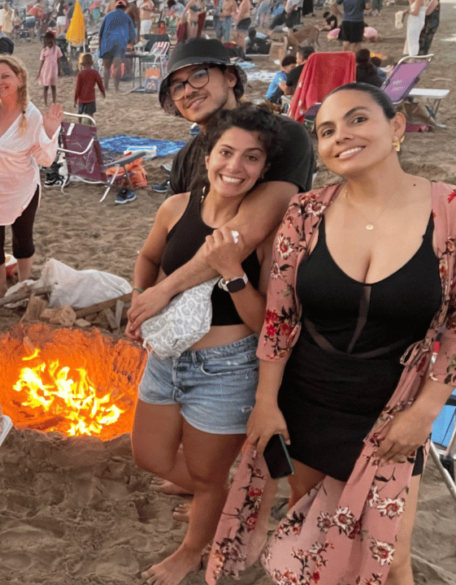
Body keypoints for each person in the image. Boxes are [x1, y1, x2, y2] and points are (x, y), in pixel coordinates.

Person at [211, 82, 456, 585]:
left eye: (357, 119)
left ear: (397, 126)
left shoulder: (449, 211)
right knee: (315, 542)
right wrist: (266, 400)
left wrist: (427, 411)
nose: (341, 134)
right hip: (308, 400)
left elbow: (454, 325)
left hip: (392, 411)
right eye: (326, 130)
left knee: (390, 559)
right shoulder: (306, 212)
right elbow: (281, 316)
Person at [129, 105, 280, 585]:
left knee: (208, 475)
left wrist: (234, 274)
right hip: (167, 355)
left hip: (228, 367)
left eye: (251, 158)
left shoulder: (261, 230)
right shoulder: (176, 207)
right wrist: (140, 297)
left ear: (264, 169)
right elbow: (149, 256)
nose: (235, 167)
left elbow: (267, 322)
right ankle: (215, 493)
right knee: (148, 455)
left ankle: (192, 549)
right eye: (226, 152)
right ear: (207, 155)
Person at [127, 38, 315, 355]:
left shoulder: (284, 137)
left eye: (199, 74)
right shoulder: (186, 157)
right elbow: (171, 243)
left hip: (243, 341)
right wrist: (143, 302)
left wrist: (162, 292)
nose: (188, 90)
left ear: (230, 77)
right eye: (177, 86)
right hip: (175, 340)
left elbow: (244, 232)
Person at [0, 55, 62, 302]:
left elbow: (46, 160)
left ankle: (24, 285)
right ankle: (1, 287)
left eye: (6, 76)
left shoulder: (32, 116)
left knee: (22, 240)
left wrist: (49, 131)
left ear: (20, 78)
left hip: (22, 189)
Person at [98, 0, 137, 92]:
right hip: (119, 43)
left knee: (106, 68)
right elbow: (132, 35)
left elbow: (100, 33)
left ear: (116, 7)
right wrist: (130, 42)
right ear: (124, 7)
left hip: (107, 43)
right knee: (117, 66)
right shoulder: (127, 17)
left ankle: (106, 87)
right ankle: (116, 88)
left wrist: (100, 46)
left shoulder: (108, 16)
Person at [74, 52, 106, 119]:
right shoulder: (95, 73)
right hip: (91, 98)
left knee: (80, 113)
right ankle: (89, 127)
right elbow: (100, 83)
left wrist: (75, 99)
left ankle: (80, 124)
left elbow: (77, 88)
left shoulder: (80, 74)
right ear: (92, 63)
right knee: (90, 115)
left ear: (82, 64)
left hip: (81, 99)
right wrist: (103, 92)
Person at [37, 31, 61, 106]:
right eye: (48, 43)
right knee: (46, 87)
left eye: (51, 43)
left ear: (54, 41)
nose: (50, 45)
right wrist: (39, 72)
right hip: (46, 71)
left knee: (53, 86)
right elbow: (42, 62)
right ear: (46, 43)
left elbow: (58, 60)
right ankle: (45, 103)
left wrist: (61, 69)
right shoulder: (44, 51)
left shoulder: (57, 49)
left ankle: (54, 101)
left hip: (54, 70)